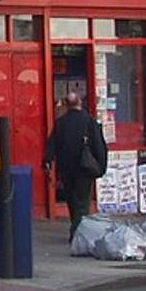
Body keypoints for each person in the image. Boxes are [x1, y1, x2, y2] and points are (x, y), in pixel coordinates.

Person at [44, 95, 107, 237]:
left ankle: (76, 227)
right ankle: (78, 232)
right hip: (85, 168)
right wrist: (101, 167)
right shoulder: (89, 121)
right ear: (80, 103)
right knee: (83, 202)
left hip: (66, 168)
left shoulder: (61, 123)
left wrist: (47, 161)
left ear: (66, 104)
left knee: (72, 201)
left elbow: (52, 144)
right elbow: (99, 146)